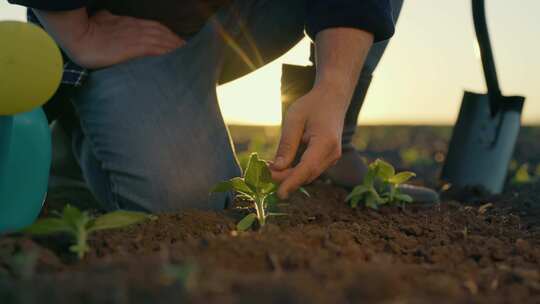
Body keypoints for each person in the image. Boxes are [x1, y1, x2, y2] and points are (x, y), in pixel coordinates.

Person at [8, 0, 438, 212]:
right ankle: (79, 126)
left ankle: (330, 145)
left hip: (247, 13)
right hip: (131, 22)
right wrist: (79, 32)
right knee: (188, 204)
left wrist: (335, 84)